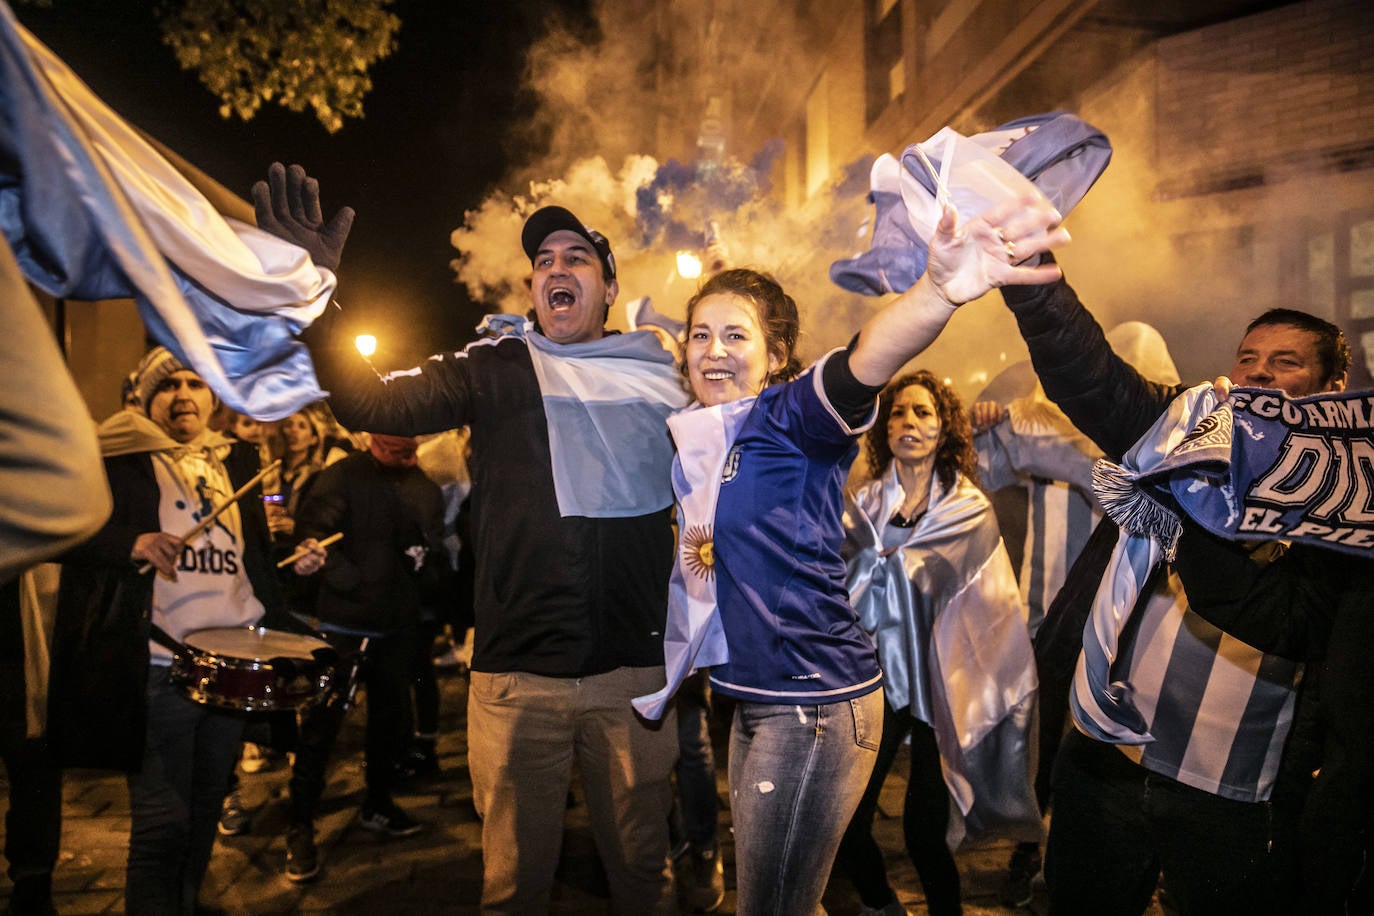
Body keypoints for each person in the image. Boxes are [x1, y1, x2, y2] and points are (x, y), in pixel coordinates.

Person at [254, 161, 689, 914]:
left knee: (644, 880)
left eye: (575, 258)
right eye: (542, 263)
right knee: (514, 889)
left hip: (635, 677)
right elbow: (364, 398)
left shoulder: (664, 374)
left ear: (610, 287)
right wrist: (311, 293)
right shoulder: (496, 364)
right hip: (519, 679)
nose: (554, 269)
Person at [632, 194, 1069, 916]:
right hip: (755, 701)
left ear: (776, 358)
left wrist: (935, 290)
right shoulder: (702, 441)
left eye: (735, 337)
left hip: (813, 707)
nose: (713, 351)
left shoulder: (791, 417)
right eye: (699, 335)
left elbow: (868, 360)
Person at [998, 254, 1351, 914]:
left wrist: (1193, 513)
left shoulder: (1344, 499)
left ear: (1331, 390)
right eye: (1249, 358)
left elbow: (1298, 626)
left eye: (1287, 361)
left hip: (1229, 787)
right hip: (1107, 751)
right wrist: (1029, 270)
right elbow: (1088, 375)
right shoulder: (1181, 430)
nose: (1259, 372)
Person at [46, 347, 325, 915]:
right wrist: (133, 544)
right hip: (159, 666)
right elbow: (61, 531)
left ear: (211, 396)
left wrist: (294, 562)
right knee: (161, 825)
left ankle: (185, 904)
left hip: (228, 668)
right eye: (168, 385)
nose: (183, 395)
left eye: (195, 383)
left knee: (201, 815)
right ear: (146, 398)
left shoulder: (232, 461)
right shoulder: (117, 458)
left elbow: (251, 563)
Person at [835, 371, 1038, 916]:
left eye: (923, 412)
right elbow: (842, 583)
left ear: (945, 428)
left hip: (939, 685)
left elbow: (988, 605)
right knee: (847, 819)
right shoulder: (863, 506)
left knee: (925, 835)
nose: (909, 422)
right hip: (874, 682)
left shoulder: (967, 510)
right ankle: (882, 906)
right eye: (899, 412)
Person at [282, 432, 445, 883]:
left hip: (398, 625)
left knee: (389, 723)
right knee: (321, 725)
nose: (403, 445)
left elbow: (432, 543)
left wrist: (427, 568)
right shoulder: (343, 475)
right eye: (392, 436)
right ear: (372, 434)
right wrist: (341, 574)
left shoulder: (425, 486)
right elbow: (314, 531)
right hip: (345, 627)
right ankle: (300, 823)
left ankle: (378, 802)